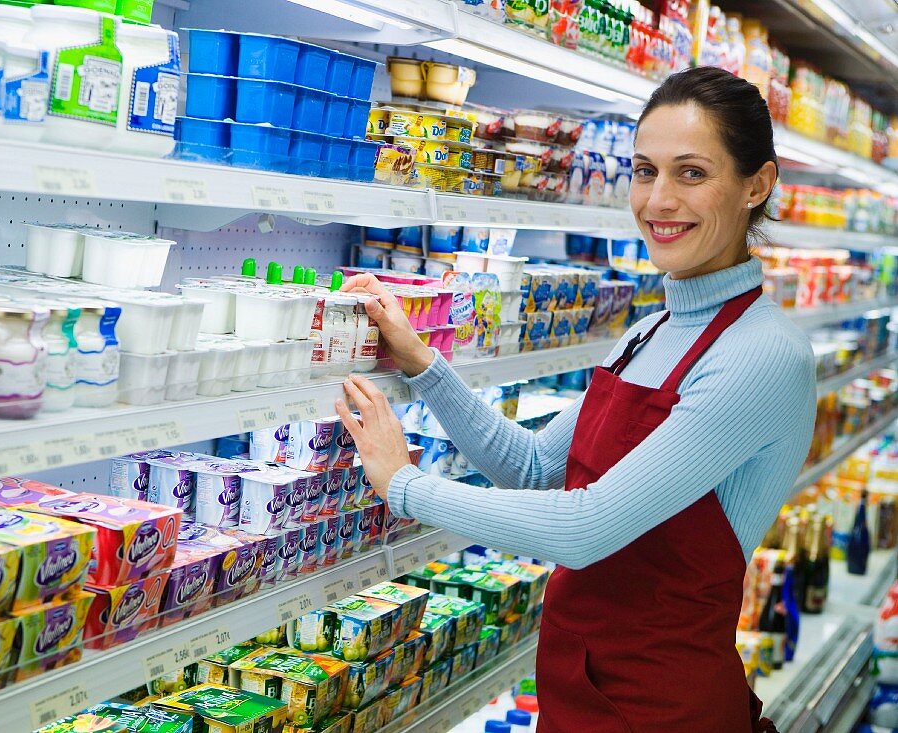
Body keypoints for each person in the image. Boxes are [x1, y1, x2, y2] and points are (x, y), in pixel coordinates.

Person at [334, 66, 815, 733]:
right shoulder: (648, 331)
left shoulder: (762, 355)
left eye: (692, 173)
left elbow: (586, 528)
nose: (658, 200)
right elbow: (533, 467)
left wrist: (406, 484)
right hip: (579, 693)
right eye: (645, 171)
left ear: (755, 185)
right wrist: (422, 360)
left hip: (664, 713)